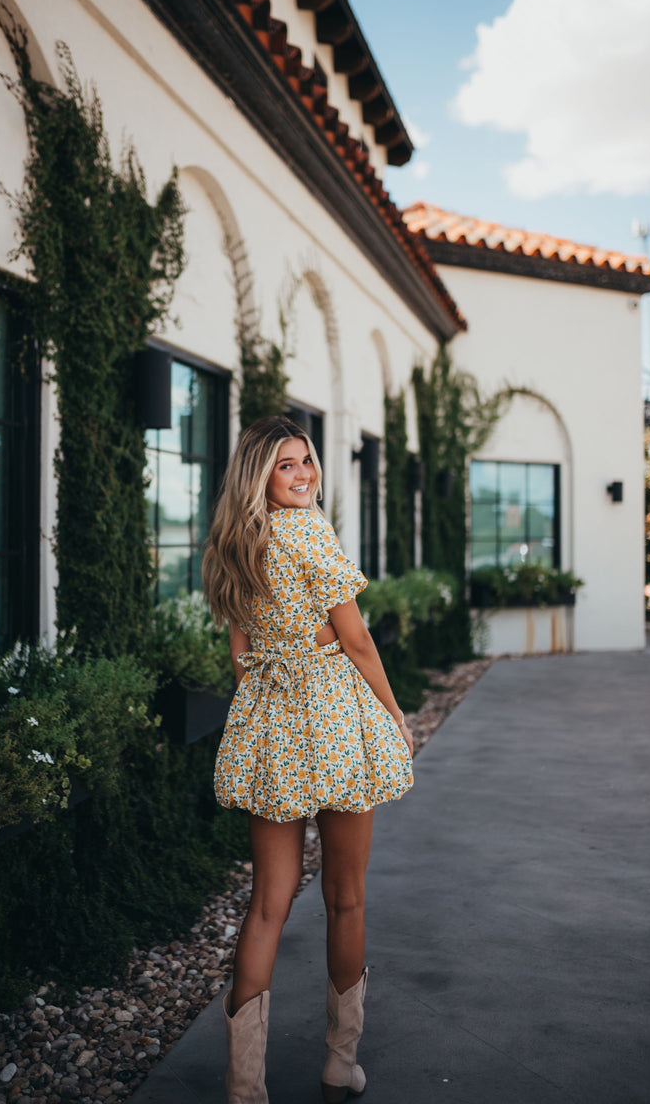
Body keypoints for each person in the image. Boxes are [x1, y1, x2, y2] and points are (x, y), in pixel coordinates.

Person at [202, 415, 414, 1104]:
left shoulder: (237, 543)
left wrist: (274, 698)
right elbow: (355, 640)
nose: (303, 475)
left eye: (307, 462)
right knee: (345, 898)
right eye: (286, 465)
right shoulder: (308, 531)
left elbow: (240, 656)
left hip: (275, 729)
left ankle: (244, 1088)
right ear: (259, 473)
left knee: (267, 904)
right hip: (336, 724)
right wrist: (393, 712)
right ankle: (338, 1062)